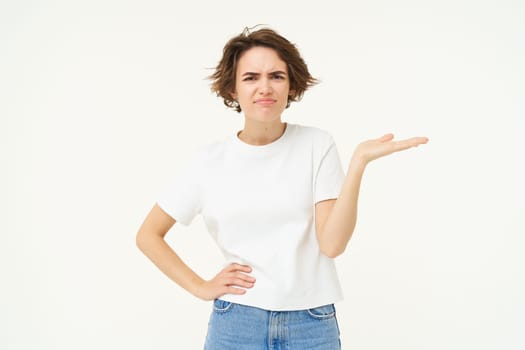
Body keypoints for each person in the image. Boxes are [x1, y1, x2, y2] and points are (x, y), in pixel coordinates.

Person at [136, 26, 428, 349]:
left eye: (276, 76)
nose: (265, 87)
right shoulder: (209, 161)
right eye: (250, 78)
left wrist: (358, 162)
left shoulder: (317, 144)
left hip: (311, 323)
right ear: (232, 89)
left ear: (291, 86)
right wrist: (201, 286)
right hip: (237, 321)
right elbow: (148, 235)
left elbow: (331, 245)